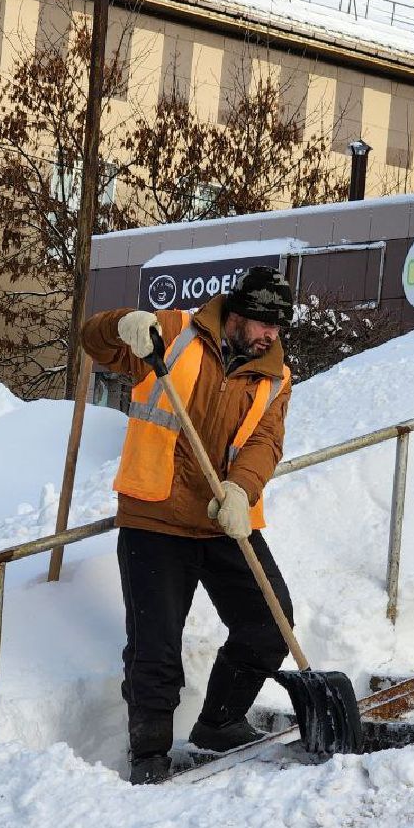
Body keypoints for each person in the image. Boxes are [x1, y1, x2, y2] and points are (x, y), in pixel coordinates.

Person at [81, 266, 296, 784]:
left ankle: (220, 722)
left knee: (270, 623)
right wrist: (120, 326)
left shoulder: (276, 376)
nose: (271, 337)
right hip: (155, 516)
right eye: (264, 325)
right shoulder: (173, 333)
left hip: (223, 519)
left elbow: (264, 443)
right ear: (238, 315)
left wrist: (242, 491)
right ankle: (149, 756)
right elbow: (95, 341)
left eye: (278, 330)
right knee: (155, 644)